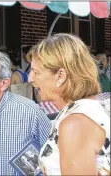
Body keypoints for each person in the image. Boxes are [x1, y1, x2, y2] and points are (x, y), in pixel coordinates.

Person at [27, 33, 110, 175]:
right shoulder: (91, 107)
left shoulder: (75, 124)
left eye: (36, 72)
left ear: (60, 76)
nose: (30, 79)